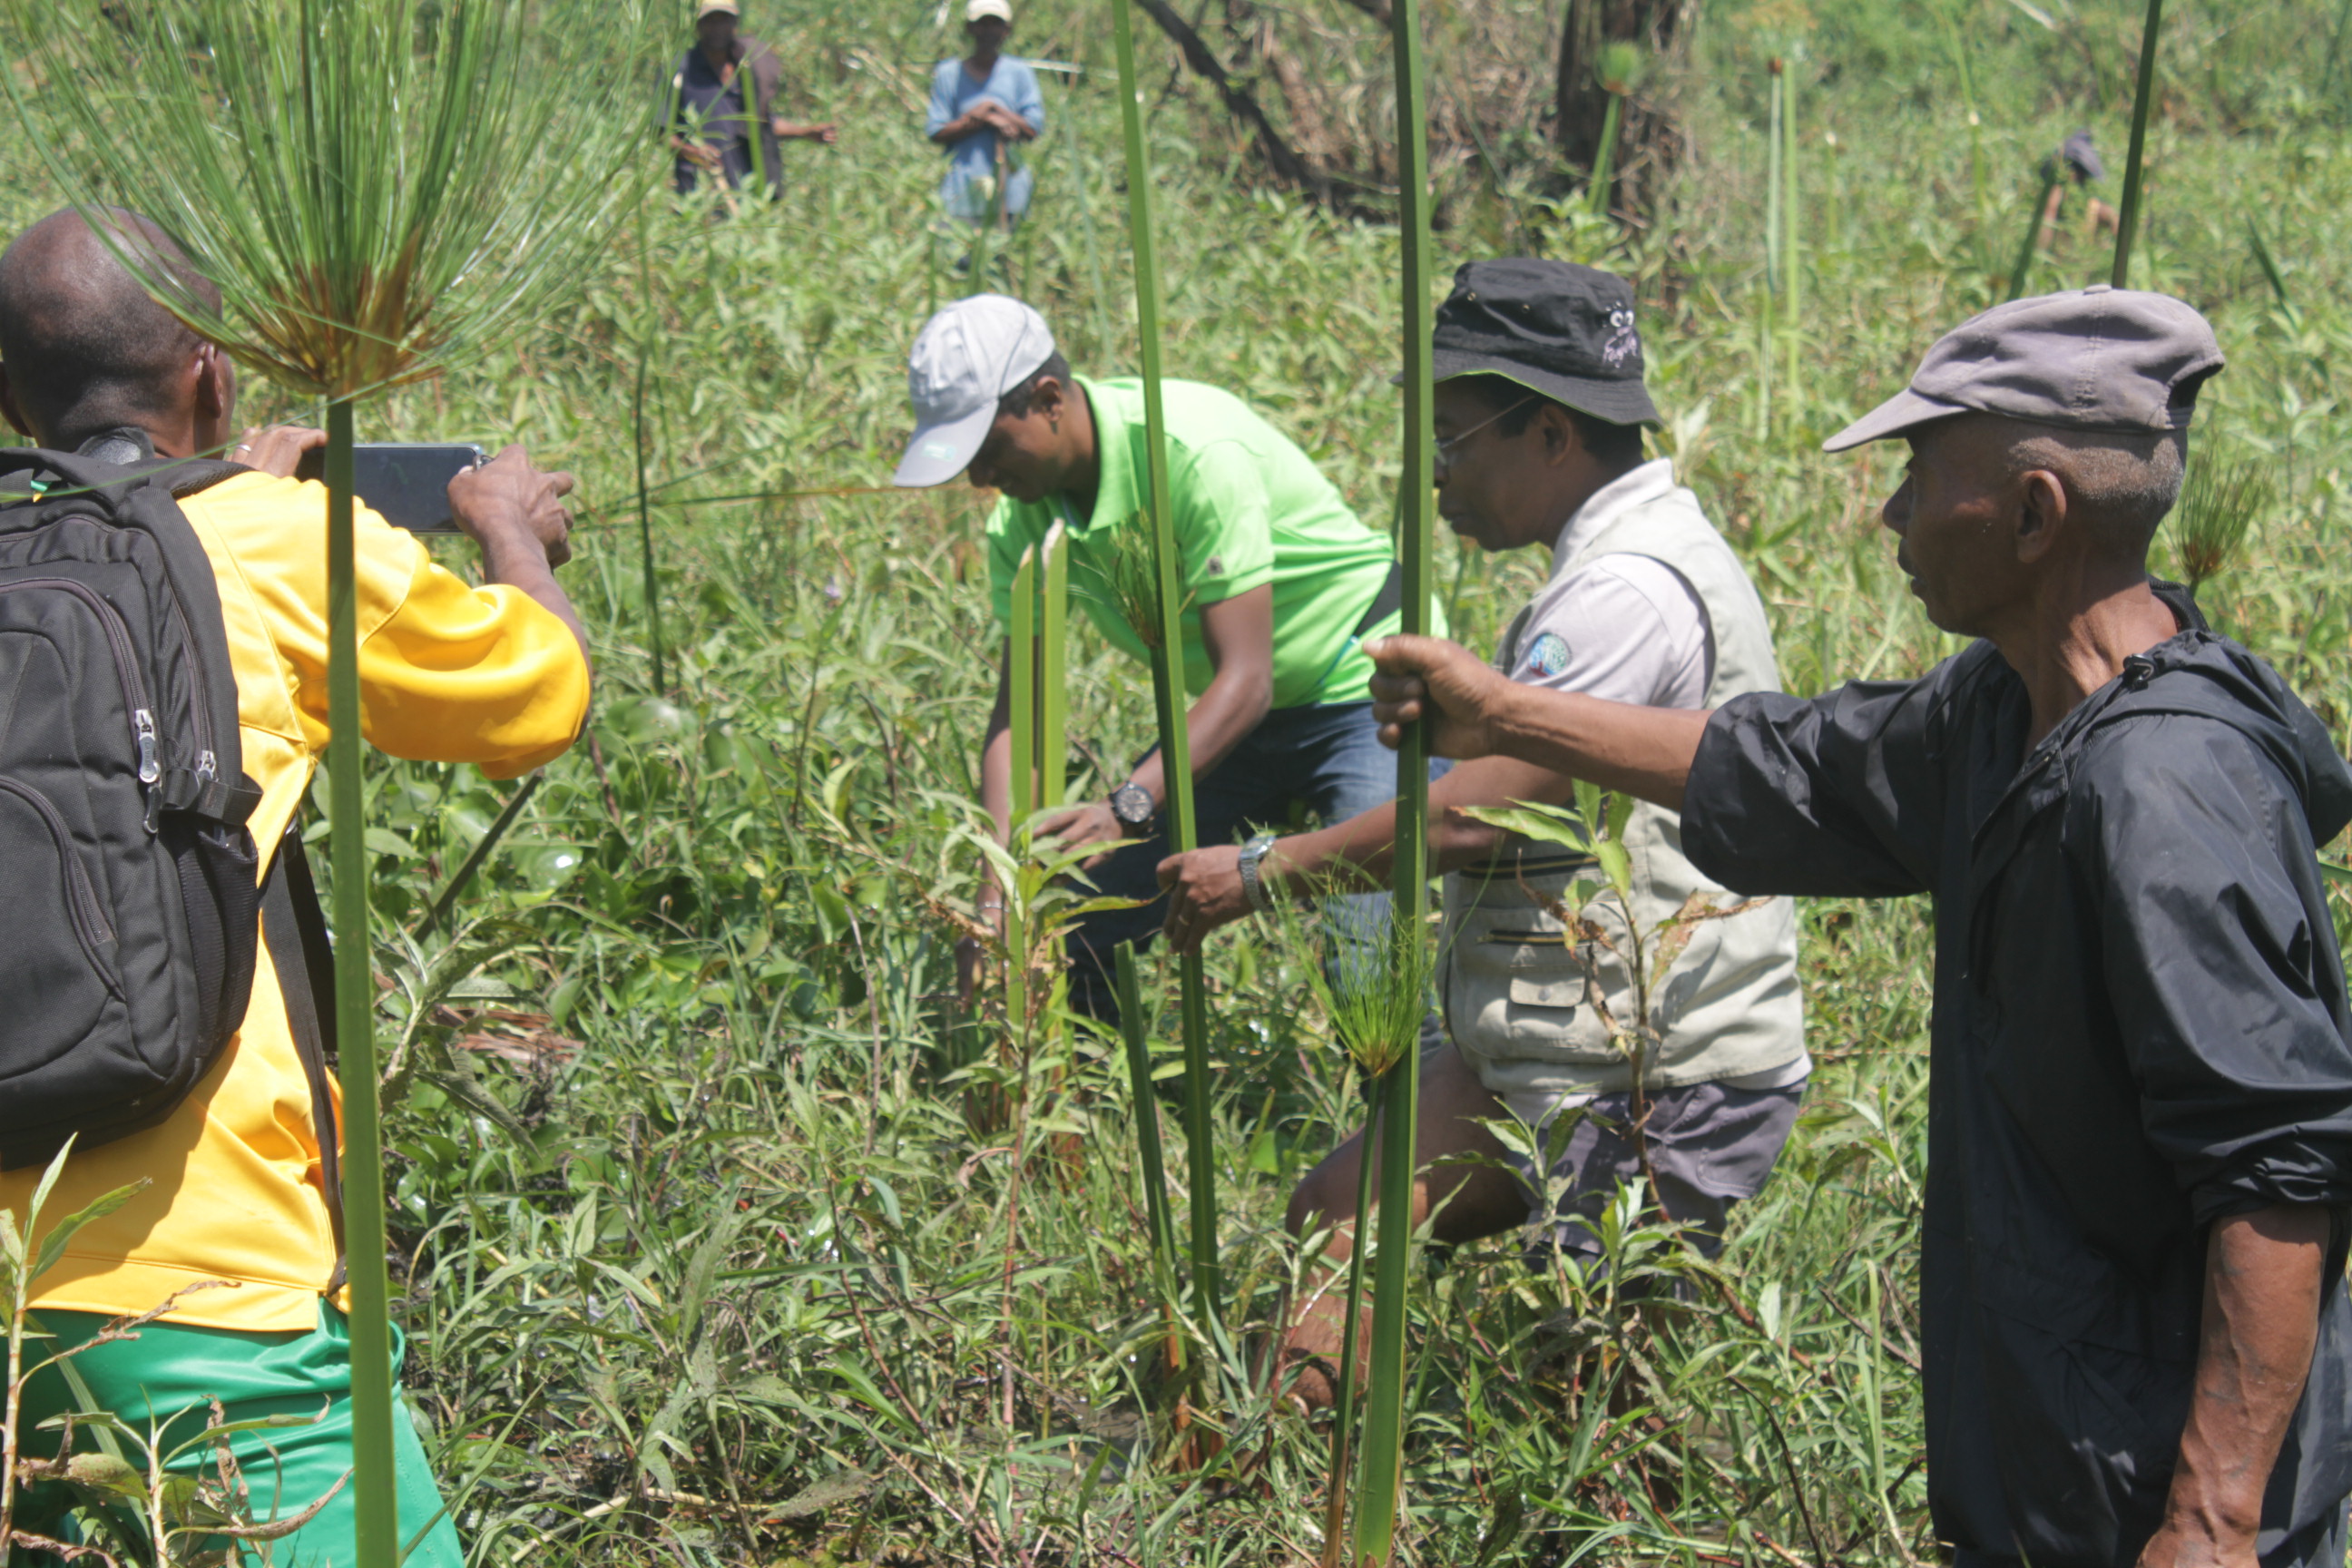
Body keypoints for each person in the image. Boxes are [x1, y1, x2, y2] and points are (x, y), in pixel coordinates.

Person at [1361, 287, 2352, 1568]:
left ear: (2037, 514)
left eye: (1921, 476)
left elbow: (2282, 1175)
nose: (1890, 513)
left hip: (2157, 1500)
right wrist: (1507, 717)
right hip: (2052, 1458)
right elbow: (1790, 767)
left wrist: (2211, 1522)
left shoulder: (2158, 794)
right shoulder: (2005, 716)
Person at [0, 208, 592, 1562]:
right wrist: (508, 532)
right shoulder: (271, 536)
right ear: (210, 375)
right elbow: (536, 697)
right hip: (203, 1308)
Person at [1155, 260, 1806, 1406]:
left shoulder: (1627, 592)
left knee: (1600, 1407)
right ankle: (1275, 1490)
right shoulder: (1606, 568)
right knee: (1333, 1226)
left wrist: (1264, 872)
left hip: (1655, 1067)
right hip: (1548, 1043)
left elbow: (1476, 822)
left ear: (1551, 433)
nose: (1438, 475)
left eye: (1455, 438)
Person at [891, 293, 1448, 1023]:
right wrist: (996, 899)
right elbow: (1018, 715)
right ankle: (1105, 1117)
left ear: (1049, 399)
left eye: (989, 450)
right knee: (1081, 920)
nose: (980, 480)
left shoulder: (1187, 453)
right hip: (1243, 717)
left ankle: (1414, 1131)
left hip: (1364, 690)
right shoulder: (1022, 525)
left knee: (1368, 962)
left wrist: (1126, 806)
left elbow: (1245, 679)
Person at [665, 0, 838, 201]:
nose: (717, 28)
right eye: (710, 21)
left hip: (748, 195)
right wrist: (692, 152)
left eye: (724, 20)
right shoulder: (680, 69)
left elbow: (762, 123)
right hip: (700, 196)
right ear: (698, 25)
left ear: (735, 24)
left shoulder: (748, 68)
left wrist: (805, 132)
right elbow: (661, 134)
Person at [925, 0, 1043, 230]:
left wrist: (995, 109)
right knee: (958, 261)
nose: (988, 32)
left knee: (1001, 259)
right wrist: (981, 120)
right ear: (970, 28)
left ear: (1006, 30)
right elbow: (936, 131)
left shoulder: (1020, 73)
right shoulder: (949, 74)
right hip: (961, 193)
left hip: (1009, 193)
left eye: (995, 25)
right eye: (982, 24)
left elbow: (1032, 129)